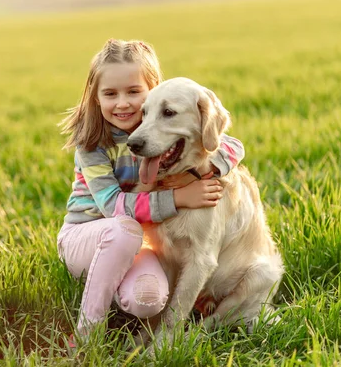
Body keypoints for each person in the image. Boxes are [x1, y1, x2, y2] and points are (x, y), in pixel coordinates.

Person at [57, 39, 245, 346]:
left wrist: (213, 168)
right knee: (124, 229)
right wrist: (179, 198)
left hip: (131, 244)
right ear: (95, 97)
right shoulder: (92, 146)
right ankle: (87, 335)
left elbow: (231, 144)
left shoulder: (156, 134)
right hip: (86, 237)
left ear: (153, 89)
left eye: (133, 92)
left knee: (147, 299)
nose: (122, 103)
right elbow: (113, 208)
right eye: (110, 94)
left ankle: (122, 304)